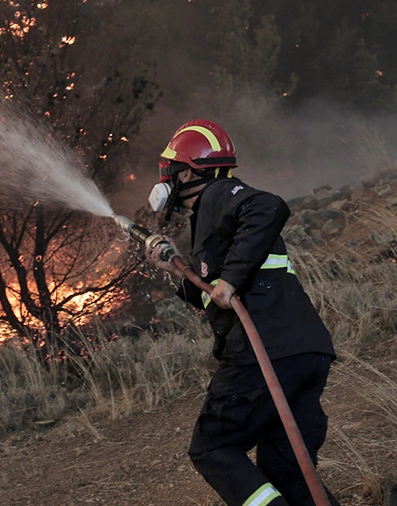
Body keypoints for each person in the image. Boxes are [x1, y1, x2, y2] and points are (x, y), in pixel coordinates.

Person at [143, 119, 340, 506]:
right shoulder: (213, 223)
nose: (165, 178)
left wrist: (229, 280)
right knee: (286, 469)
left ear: (187, 172)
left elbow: (269, 206)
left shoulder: (218, 194)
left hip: (263, 352)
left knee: (212, 447)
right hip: (304, 352)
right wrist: (175, 270)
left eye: (169, 169)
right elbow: (212, 297)